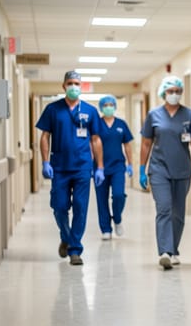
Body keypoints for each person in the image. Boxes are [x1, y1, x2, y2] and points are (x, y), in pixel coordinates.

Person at [36, 70, 105, 266]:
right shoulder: (53, 109)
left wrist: (99, 167)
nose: (74, 86)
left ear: (80, 86)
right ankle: (66, 236)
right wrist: (45, 162)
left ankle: (75, 250)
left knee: (81, 208)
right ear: (64, 86)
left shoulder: (90, 111)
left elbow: (96, 139)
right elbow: (44, 136)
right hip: (59, 167)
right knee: (59, 206)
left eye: (77, 83)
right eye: (70, 83)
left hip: (83, 167)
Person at [139, 75, 191, 270]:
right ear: (163, 93)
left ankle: (174, 249)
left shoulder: (189, 115)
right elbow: (146, 143)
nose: (174, 94)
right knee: (165, 208)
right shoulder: (154, 115)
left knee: (178, 213)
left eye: (177, 91)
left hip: (182, 170)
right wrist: (142, 169)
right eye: (170, 91)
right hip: (159, 170)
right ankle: (165, 252)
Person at [94, 95, 134, 240]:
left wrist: (130, 164)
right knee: (101, 199)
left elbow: (127, 145)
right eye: (106, 105)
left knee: (118, 195)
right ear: (101, 107)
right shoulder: (96, 124)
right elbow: (91, 143)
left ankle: (117, 218)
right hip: (100, 167)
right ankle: (106, 229)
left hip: (118, 166)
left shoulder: (121, 124)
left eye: (111, 104)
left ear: (115, 107)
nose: (109, 107)